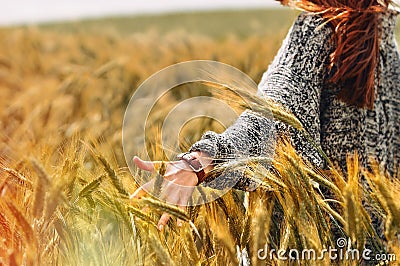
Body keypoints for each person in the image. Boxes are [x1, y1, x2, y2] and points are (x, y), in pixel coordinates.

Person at [131, 0, 400, 231]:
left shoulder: (333, 34)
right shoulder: (360, 38)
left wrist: (201, 161)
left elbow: (272, 115)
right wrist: (203, 159)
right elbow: (274, 114)